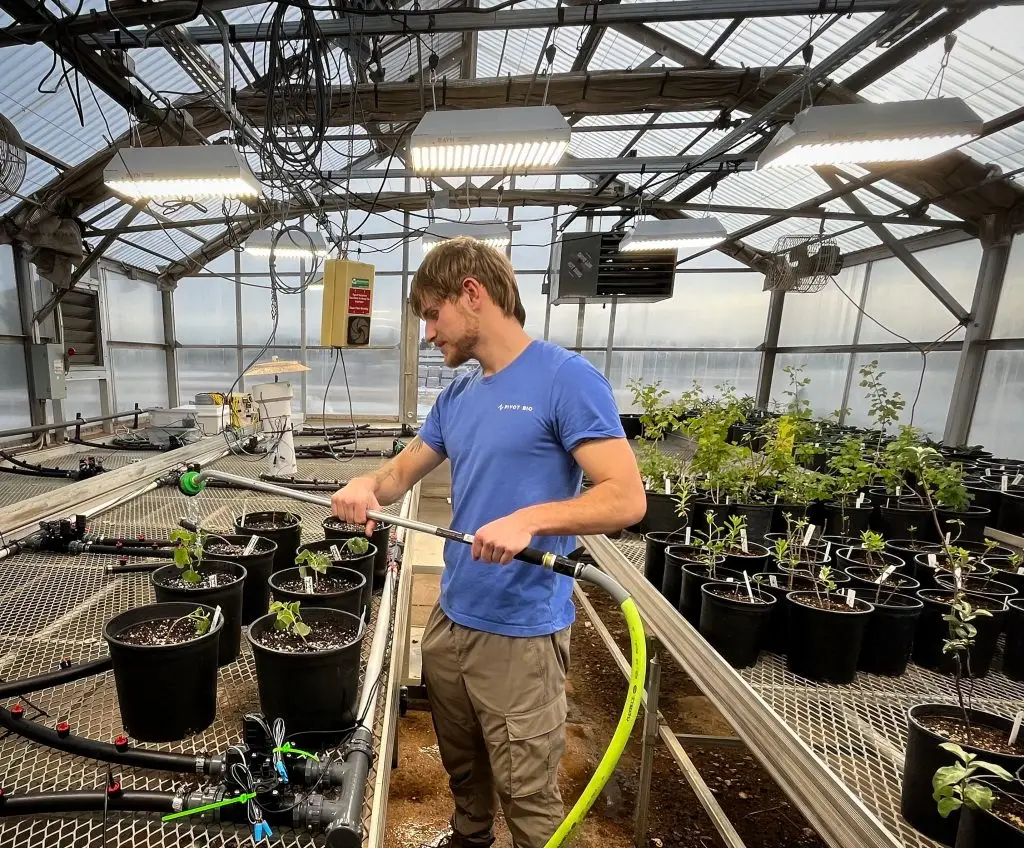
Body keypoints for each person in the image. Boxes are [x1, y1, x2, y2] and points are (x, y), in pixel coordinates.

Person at [331, 237, 646, 848]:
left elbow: (626, 497)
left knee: (528, 794)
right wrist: (363, 486)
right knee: (464, 767)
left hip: (521, 634)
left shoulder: (565, 379)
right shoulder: (457, 397)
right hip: (453, 620)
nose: (427, 334)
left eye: (431, 314)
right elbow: (398, 476)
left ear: (471, 294)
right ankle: (469, 837)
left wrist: (528, 519)